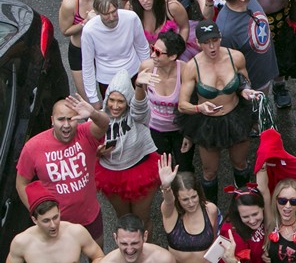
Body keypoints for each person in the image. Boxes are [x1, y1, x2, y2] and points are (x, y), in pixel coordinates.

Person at [178, 20, 262, 202]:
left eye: (215, 40)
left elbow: (244, 81)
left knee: (240, 163)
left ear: (220, 38)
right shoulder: (192, 67)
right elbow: (182, 104)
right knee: (209, 171)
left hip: (235, 115)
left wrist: (245, 90)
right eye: (206, 42)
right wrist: (199, 107)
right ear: (198, 43)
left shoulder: (236, 57)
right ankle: (211, 208)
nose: (212, 46)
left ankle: (243, 202)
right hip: (208, 122)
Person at [16, 96, 111, 244]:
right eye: (61, 119)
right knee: (65, 258)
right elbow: (21, 184)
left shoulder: (85, 133)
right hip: (57, 224)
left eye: (71, 119)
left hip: (90, 216)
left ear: (77, 119)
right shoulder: (33, 147)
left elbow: (104, 124)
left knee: (97, 254)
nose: (66, 125)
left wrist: (93, 113)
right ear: (52, 120)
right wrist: (38, 212)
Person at [95, 70, 161, 232]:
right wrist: (98, 152)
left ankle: (146, 246)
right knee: (124, 220)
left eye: (121, 101)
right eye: (111, 100)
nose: (115, 106)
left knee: (142, 220)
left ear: (128, 101)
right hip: (111, 174)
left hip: (141, 170)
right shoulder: (98, 118)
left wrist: (139, 87)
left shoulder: (136, 115)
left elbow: (140, 107)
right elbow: (86, 147)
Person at [217, 0, 280, 105]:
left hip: (266, 69)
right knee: (257, 112)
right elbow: (227, 64)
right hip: (253, 84)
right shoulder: (226, 30)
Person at [137, 31, 195, 173]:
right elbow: (139, 102)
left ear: (172, 56)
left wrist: (189, 134)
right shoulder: (147, 67)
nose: (152, 55)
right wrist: (138, 84)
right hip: (155, 129)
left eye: (157, 52)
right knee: (161, 171)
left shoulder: (185, 71)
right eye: (152, 48)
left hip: (180, 130)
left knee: (185, 170)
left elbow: (192, 104)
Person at [80, 0, 150, 107]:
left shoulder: (131, 18)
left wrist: (147, 74)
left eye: (114, 12)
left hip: (134, 73)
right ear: (97, 13)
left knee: (139, 109)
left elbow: (142, 47)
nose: (112, 17)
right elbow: (88, 65)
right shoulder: (89, 31)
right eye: (106, 14)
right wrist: (93, 98)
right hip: (107, 81)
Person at [59, 0, 116, 97]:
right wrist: (85, 22)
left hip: (103, 47)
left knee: (112, 93)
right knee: (87, 99)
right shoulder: (70, 3)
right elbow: (65, 31)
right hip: (80, 49)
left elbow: (114, 18)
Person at [129, 0, 198, 62]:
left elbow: (184, 27)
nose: (145, 0)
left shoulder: (171, 6)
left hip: (169, 54)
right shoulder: (131, 9)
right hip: (144, 56)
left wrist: (177, 50)